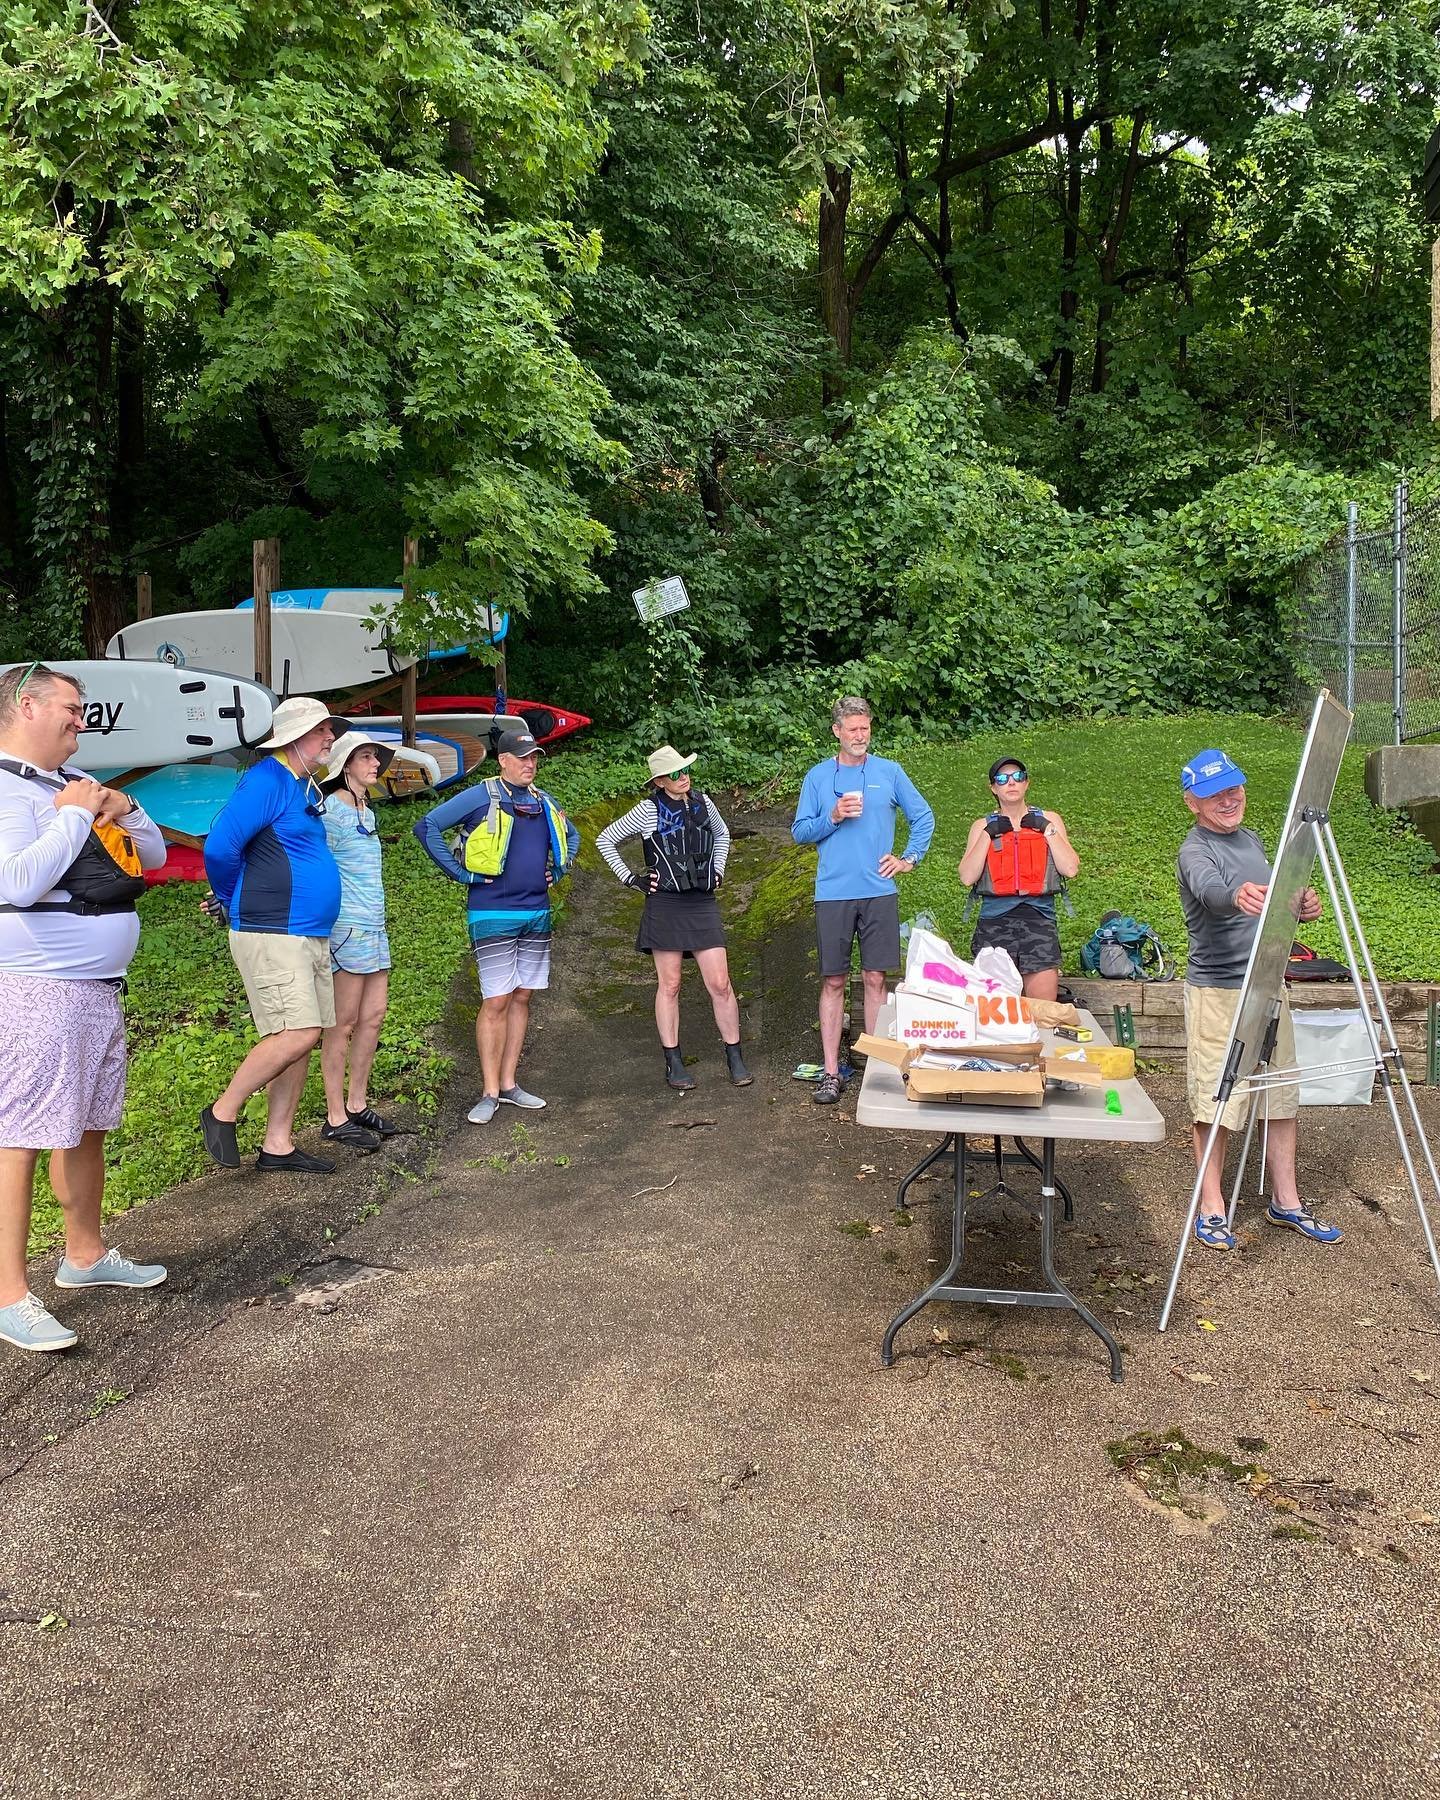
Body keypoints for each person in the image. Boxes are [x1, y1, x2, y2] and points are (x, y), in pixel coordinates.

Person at [0, 661, 168, 1353]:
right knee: (19, 1137)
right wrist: (74, 817)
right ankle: (8, 1293)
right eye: (72, 706)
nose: (81, 718)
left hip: (94, 990)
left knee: (87, 1126)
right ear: (28, 705)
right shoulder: (7, 789)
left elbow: (150, 856)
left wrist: (124, 809)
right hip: (37, 987)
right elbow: (19, 880)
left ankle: (85, 1254)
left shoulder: (60, 787)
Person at [1178, 747, 1341, 1251]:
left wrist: (1299, 905)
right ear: (1193, 803)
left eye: (1233, 788)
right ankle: (1211, 1208)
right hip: (1219, 991)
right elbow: (1213, 892)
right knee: (1217, 1100)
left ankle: (1286, 1202)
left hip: (1270, 984)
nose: (1228, 799)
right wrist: (1238, 896)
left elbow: (1272, 901)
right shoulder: (1194, 851)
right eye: (1213, 794)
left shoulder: (1251, 840)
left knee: (1281, 1096)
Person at [200, 696, 347, 1174]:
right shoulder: (267, 779)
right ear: (293, 737)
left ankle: (277, 1144)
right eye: (322, 730)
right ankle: (222, 1111)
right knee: (298, 1032)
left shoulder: (302, 786)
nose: (330, 737)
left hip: (307, 932)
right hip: (272, 929)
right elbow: (221, 846)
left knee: (301, 1035)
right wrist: (230, 898)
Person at [413, 727, 579, 1125]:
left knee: (522, 997)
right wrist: (460, 873)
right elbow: (427, 827)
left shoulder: (542, 800)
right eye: (522, 757)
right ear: (502, 760)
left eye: (534, 757)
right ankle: (488, 1091)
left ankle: (509, 1084)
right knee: (497, 1000)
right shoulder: (482, 795)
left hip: (536, 912)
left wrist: (561, 866)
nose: (530, 764)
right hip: (492, 913)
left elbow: (571, 836)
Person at [791, 696, 934, 1105]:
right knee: (833, 980)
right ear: (836, 731)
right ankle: (832, 1072)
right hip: (833, 893)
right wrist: (832, 816)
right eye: (852, 729)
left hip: (878, 892)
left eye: (865, 728)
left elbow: (923, 816)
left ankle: (876, 1068)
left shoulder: (889, 771)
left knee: (875, 979)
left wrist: (908, 859)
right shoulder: (818, 777)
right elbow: (800, 831)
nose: (860, 735)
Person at [595, 745, 752, 1091]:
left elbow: (723, 834)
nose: (685, 778)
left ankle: (735, 1055)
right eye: (676, 773)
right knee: (670, 985)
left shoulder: (703, 803)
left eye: (686, 771)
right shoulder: (648, 810)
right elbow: (605, 839)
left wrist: (718, 869)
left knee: (721, 984)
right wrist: (632, 879)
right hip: (665, 903)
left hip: (701, 901)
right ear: (661, 780)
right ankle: (674, 1061)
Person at [317, 731, 400, 1152]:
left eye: (376, 758)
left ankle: (358, 1102)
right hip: (347, 927)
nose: (374, 764)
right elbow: (315, 864)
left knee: (373, 1016)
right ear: (345, 764)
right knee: (343, 1023)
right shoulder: (331, 810)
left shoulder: (367, 810)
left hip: (375, 925)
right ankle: (335, 1115)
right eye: (365, 757)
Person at [957, 757, 1079, 1002]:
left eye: (1018, 777)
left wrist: (1046, 828)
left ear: (1026, 783)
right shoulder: (982, 825)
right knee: (996, 1009)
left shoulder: (1049, 819)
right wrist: (987, 835)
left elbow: (1070, 868)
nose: (1011, 783)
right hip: (994, 922)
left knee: (1043, 1009)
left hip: (1039, 919)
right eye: (1002, 779)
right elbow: (967, 876)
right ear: (993, 788)